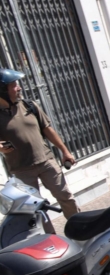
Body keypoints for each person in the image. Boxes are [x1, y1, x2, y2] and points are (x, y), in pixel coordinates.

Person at [0, 69, 79, 216]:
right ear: (2, 90)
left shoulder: (29, 105)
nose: (19, 88)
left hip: (46, 162)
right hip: (21, 170)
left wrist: (65, 151)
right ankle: (48, 238)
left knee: (66, 197)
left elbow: (48, 130)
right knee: (34, 209)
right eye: (14, 85)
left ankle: (79, 229)